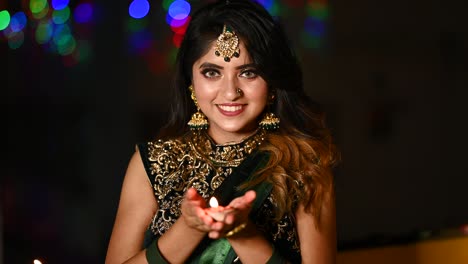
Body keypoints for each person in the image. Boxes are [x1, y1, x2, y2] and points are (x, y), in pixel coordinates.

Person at [105, 0, 338, 263]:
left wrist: (242, 234)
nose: (230, 92)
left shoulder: (304, 165)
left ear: (273, 83)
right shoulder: (154, 163)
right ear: (190, 81)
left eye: (249, 73)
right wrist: (189, 228)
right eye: (212, 72)